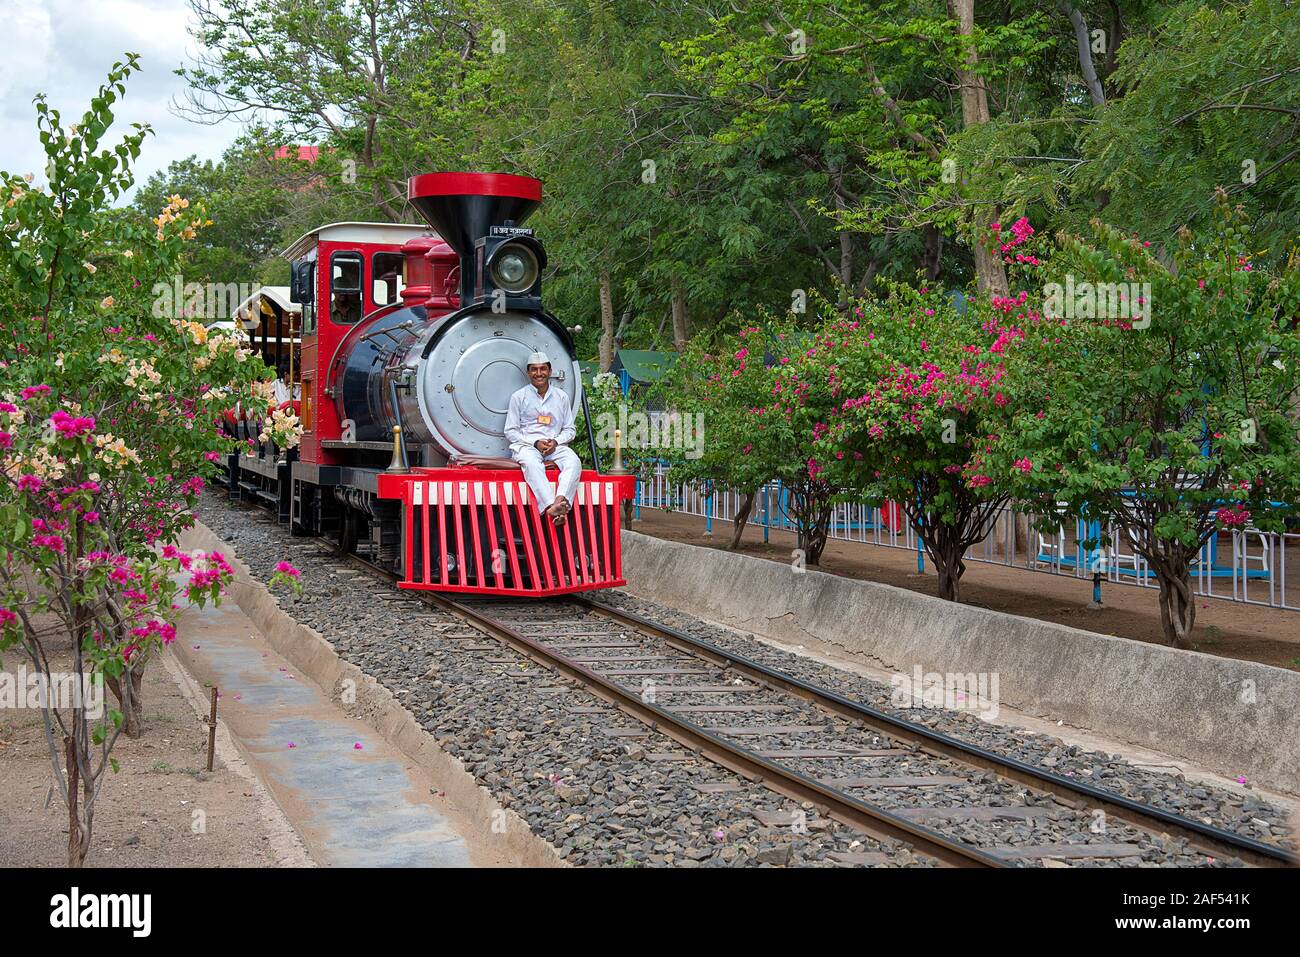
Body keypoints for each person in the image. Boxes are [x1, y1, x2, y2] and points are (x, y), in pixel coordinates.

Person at [505, 352, 581, 526]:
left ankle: (559, 502)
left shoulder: (561, 397)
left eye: (542, 369)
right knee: (532, 464)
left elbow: (570, 430)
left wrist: (556, 442)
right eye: (534, 370)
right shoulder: (519, 397)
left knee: (573, 461)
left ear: (550, 371)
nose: (539, 373)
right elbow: (510, 431)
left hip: (554, 446)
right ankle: (550, 506)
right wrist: (534, 443)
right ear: (528, 372)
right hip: (527, 446)